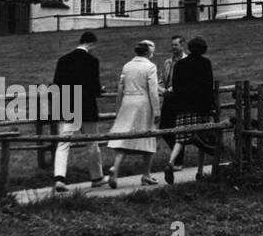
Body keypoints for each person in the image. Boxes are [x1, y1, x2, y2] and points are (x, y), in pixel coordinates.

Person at [51, 31, 108, 193]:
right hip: (86, 107)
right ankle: (96, 177)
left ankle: (59, 178)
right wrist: (100, 89)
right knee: (92, 143)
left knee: (63, 143)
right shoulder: (92, 61)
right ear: (91, 44)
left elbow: (56, 85)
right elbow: (94, 87)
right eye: (94, 46)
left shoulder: (63, 60)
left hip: (68, 106)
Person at [107, 41, 161, 187]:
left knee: (124, 136)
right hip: (143, 104)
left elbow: (120, 88)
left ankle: (115, 168)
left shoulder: (127, 66)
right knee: (148, 137)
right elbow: (153, 91)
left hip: (127, 102)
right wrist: (157, 111)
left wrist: (118, 108)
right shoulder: (150, 67)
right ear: (147, 52)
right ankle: (146, 174)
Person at [165, 36, 216, 184]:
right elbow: (208, 86)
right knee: (201, 138)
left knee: (180, 138)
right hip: (200, 106)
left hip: (182, 105)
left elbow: (175, 85)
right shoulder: (205, 63)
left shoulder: (180, 64)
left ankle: (170, 162)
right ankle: (199, 171)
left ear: (190, 48)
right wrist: (211, 105)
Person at [158, 35, 187, 176]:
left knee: (178, 129)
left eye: (176, 45)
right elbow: (162, 79)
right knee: (164, 128)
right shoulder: (168, 62)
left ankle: (178, 161)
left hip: (179, 97)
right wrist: (161, 89)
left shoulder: (186, 61)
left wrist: (171, 89)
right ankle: (177, 158)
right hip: (168, 98)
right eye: (172, 45)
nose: (173, 47)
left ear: (182, 45)